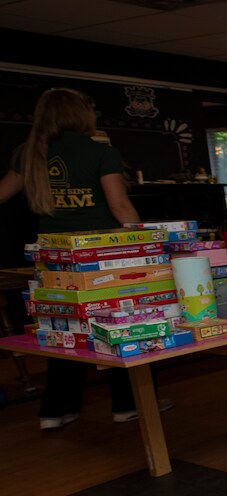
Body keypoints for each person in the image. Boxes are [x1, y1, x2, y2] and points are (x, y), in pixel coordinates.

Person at [0, 87, 168, 429]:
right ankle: (128, 403)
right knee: (124, 329)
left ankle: (55, 410)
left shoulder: (28, 153)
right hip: (101, 258)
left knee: (65, 331)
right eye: (91, 111)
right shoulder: (99, 152)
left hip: (54, 259)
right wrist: (146, 247)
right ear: (80, 114)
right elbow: (120, 207)